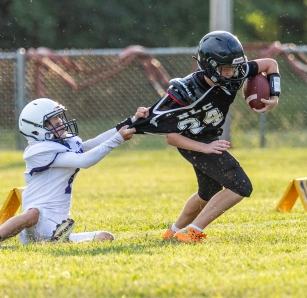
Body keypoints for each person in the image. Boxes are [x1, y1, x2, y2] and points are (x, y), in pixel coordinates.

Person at [118, 31, 280, 243]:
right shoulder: (187, 90)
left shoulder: (235, 71)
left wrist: (274, 95)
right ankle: (193, 231)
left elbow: (270, 64)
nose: (233, 73)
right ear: (210, 66)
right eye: (226, 69)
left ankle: (174, 230)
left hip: (209, 137)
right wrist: (205, 148)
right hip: (193, 142)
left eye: (236, 67)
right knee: (240, 186)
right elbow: (171, 137)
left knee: (209, 190)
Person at [0, 98, 148, 248]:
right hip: (35, 223)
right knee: (33, 213)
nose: (60, 121)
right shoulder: (40, 150)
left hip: (57, 225)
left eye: (58, 117)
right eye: (52, 120)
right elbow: (85, 161)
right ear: (36, 128)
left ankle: (57, 242)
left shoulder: (63, 143)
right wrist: (117, 140)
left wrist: (132, 121)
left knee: (106, 237)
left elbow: (94, 143)